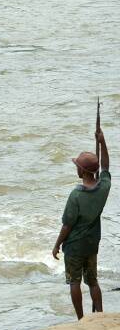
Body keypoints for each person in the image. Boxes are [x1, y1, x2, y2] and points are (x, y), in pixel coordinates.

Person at [52, 128, 110, 320]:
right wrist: (102, 142)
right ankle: (100, 316)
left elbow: (67, 225)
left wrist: (57, 244)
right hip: (92, 244)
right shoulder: (103, 188)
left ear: (83, 171)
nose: (76, 167)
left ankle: (81, 319)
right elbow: (106, 168)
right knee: (93, 282)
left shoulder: (76, 195)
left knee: (74, 282)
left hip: (75, 247)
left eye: (77, 165)